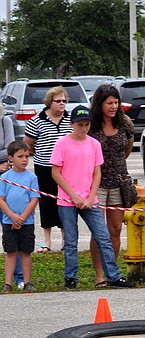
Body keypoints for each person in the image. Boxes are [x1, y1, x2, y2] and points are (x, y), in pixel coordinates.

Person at [50, 105, 133, 289]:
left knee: (103, 237)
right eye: (80, 125)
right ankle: (70, 277)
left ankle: (113, 275)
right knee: (71, 240)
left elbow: (97, 173)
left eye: (87, 124)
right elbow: (56, 172)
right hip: (67, 200)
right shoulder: (62, 144)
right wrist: (73, 196)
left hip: (90, 199)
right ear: (72, 124)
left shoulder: (94, 144)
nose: (84, 128)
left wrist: (90, 197)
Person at [88, 84, 135, 287]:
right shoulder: (91, 125)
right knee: (98, 230)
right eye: (109, 103)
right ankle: (99, 275)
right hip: (95, 183)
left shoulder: (125, 123)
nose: (114, 106)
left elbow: (127, 149)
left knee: (115, 229)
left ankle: (112, 271)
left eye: (116, 102)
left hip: (119, 182)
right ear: (100, 104)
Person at [24, 86, 70, 252]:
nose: (62, 104)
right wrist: (41, 154)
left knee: (65, 202)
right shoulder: (37, 120)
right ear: (49, 102)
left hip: (66, 169)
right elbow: (28, 143)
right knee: (46, 203)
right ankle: (47, 241)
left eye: (64, 101)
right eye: (58, 101)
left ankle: (67, 240)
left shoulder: (70, 120)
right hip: (44, 167)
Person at [0, 141, 39, 292]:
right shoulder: (4, 177)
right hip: (8, 221)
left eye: (27, 156)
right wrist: (12, 216)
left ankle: (27, 281)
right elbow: (1, 199)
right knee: (11, 252)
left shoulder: (32, 178)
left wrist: (22, 217)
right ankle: (8, 283)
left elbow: (34, 199)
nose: (24, 160)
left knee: (26, 252)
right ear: (10, 158)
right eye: (20, 156)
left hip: (26, 222)